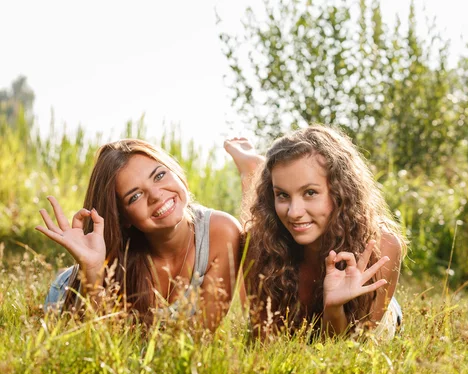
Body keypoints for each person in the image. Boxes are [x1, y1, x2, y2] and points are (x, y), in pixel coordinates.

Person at [224, 126, 406, 339]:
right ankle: (252, 171)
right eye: (282, 195)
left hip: (372, 328)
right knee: (254, 232)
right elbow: (264, 337)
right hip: (270, 249)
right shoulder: (261, 241)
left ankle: (254, 169)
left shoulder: (381, 245)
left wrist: (334, 308)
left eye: (310, 192)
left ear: (340, 192)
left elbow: (349, 349)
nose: (294, 212)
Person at [39, 139, 242, 329]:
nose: (155, 195)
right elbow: (98, 345)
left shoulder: (222, 232)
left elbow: (201, 337)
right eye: (135, 196)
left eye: (159, 176)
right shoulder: (119, 260)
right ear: (124, 217)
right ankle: (65, 275)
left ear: (176, 173)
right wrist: (91, 271)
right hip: (69, 297)